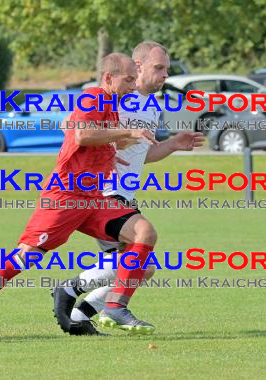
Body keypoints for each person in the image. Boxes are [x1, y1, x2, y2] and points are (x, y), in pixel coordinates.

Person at [0, 52, 161, 343]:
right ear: (108, 77)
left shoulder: (110, 104)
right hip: (66, 196)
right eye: (128, 79)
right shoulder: (94, 97)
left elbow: (81, 134)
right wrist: (127, 131)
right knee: (25, 257)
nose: (134, 86)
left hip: (93, 199)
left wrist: (111, 152)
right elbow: (83, 134)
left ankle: (115, 307)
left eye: (135, 80)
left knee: (144, 233)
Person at [52, 41, 204, 335]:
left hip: (125, 193)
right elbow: (71, 126)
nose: (164, 75)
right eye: (159, 68)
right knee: (138, 260)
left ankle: (82, 310)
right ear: (138, 66)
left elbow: (142, 155)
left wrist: (172, 145)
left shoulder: (153, 106)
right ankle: (76, 293)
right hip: (104, 192)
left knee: (143, 268)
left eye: (167, 70)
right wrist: (110, 143)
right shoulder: (117, 95)